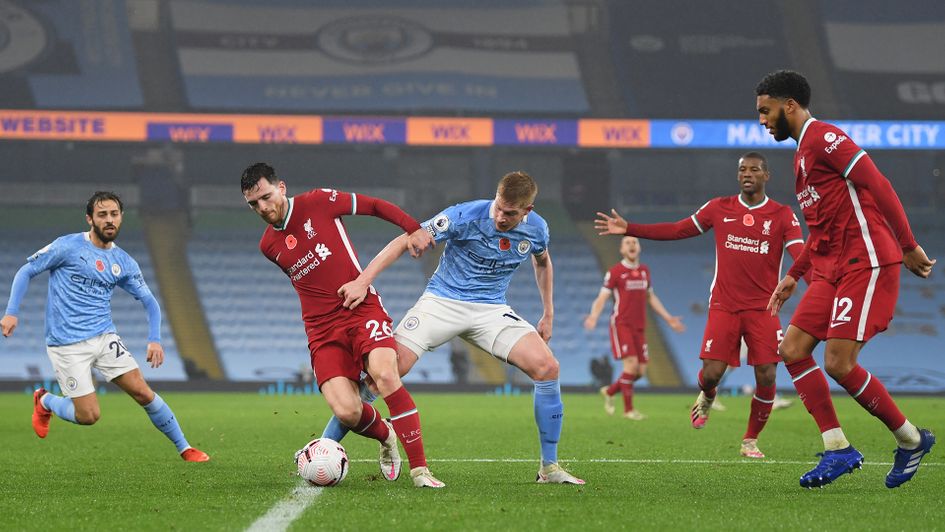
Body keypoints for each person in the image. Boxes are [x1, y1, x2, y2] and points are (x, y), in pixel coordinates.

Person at [323, 171, 584, 484]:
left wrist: (548, 313)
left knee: (547, 367)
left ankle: (550, 468)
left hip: (491, 310)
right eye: (499, 207)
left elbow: (542, 262)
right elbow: (407, 238)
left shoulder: (538, 229)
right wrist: (363, 281)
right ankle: (325, 446)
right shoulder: (465, 215)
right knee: (385, 372)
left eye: (510, 213)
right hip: (442, 302)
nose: (501, 216)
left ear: (527, 210)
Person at [756, 70, 936, 488]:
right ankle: (838, 448)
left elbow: (877, 182)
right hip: (830, 269)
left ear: (789, 106)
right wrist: (793, 275)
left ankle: (910, 440)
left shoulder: (824, 138)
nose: (762, 121)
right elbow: (819, 230)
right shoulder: (801, 157)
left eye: (766, 112)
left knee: (838, 362)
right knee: (793, 349)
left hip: (866, 262)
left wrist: (907, 243)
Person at [240, 163, 444, 488]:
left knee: (386, 374)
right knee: (348, 411)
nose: (263, 208)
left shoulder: (319, 201)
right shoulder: (269, 246)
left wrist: (413, 228)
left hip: (360, 309)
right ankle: (387, 435)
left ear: (281, 187)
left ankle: (420, 470)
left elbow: (375, 206)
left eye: (266, 197)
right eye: (253, 204)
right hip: (321, 331)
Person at [595, 152, 805, 459]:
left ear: (766, 176)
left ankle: (750, 440)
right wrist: (631, 228)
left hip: (764, 308)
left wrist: (819, 283)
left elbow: (800, 254)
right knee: (711, 374)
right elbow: (679, 229)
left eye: (755, 170)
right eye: (743, 169)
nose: (748, 174)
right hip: (724, 305)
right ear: (738, 176)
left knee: (768, 374)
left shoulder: (782, 214)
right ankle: (707, 396)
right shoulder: (719, 208)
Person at [1, 192, 209, 462]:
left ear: (121, 217)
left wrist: (154, 339)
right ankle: (44, 401)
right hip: (67, 342)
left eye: (114, 214)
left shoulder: (123, 262)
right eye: (102, 214)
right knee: (89, 416)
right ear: (90, 218)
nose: (109, 220)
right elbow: (25, 271)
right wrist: (11, 313)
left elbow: (150, 302)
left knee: (142, 391)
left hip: (104, 337)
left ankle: (184, 447)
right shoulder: (68, 246)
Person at [583, 236, 686, 420]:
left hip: (640, 326)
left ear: (639, 248)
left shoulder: (644, 271)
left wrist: (669, 318)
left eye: (634, 243)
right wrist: (593, 316)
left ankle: (610, 391)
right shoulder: (615, 272)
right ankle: (628, 410)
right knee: (630, 366)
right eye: (627, 243)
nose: (631, 245)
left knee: (639, 372)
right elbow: (602, 297)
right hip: (621, 324)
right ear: (622, 250)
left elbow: (651, 297)